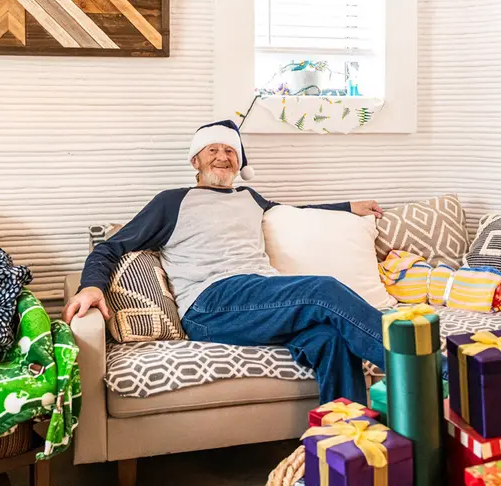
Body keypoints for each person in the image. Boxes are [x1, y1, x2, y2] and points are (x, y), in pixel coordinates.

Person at [62, 119, 386, 403]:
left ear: (239, 162)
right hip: (211, 303)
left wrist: (347, 206)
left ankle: (341, 442)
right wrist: (91, 287)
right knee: (323, 291)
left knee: (329, 338)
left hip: (261, 295)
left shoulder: (250, 197)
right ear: (196, 160)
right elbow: (111, 247)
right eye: (212, 150)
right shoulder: (172, 201)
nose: (222, 157)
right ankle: (425, 367)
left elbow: (297, 212)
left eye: (230, 151)